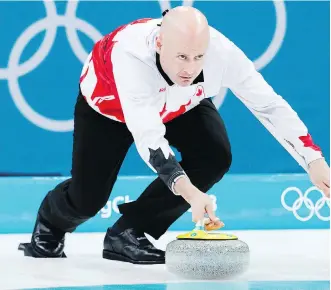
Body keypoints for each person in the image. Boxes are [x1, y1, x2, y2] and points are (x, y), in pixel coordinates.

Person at [19, 6, 330, 264]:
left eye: (199, 58)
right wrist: (192, 194)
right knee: (87, 200)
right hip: (109, 109)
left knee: (214, 155)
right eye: (182, 57)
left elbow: (269, 105)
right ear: (160, 44)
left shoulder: (220, 53)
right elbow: (150, 139)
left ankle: (129, 233)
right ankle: (51, 221)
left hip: (179, 102)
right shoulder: (130, 55)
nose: (191, 68)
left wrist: (313, 160)